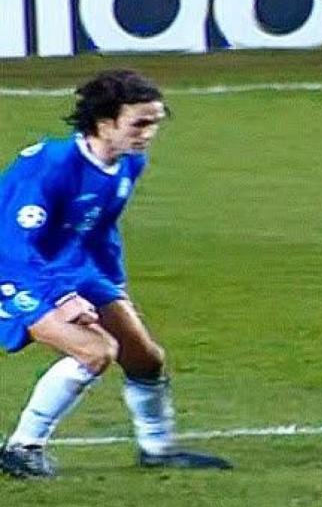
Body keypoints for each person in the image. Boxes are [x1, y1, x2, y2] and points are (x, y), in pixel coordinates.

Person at [0, 69, 232, 478]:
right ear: (105, 123)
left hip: (70, 266)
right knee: (95, 351)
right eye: (140, 123)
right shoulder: (52, 166)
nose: (148, 133)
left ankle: (157, 448)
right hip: (16, 269)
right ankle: (23, 446)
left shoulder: (127, 164)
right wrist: (65, 297)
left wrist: (114, 286)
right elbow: (15, 246)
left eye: (154, 123)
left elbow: (101, 228)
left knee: (145, 357)